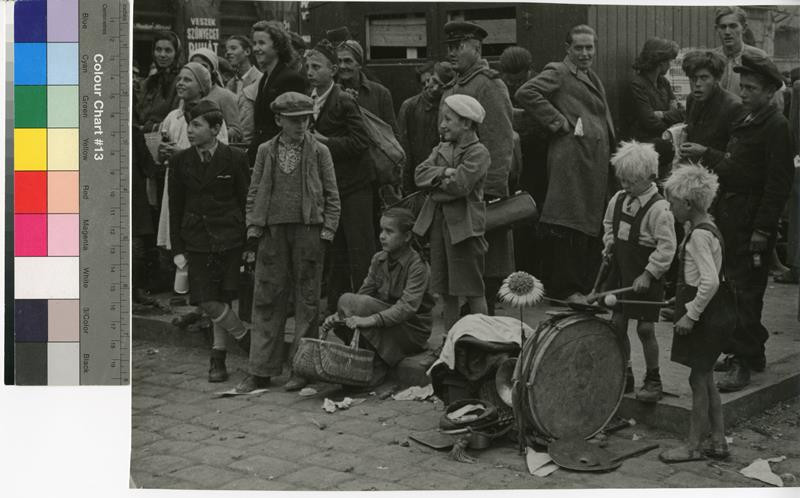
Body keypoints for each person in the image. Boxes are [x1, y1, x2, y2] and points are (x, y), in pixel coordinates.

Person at [700, 53, 794, 392]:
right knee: (736, 287)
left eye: (752, 88)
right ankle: (751, 352)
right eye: (742, 87)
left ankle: (742, 362)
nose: (744, 93)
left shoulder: (776, 126)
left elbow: (777, 185)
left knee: (745, 291)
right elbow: (734, 165)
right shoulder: (749, 119)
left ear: (770, 91)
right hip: (733, 215)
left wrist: (763, 230)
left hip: (752, 221)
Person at [238, 92, 341, 393]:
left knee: (307, 299)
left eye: (306, 119)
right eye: (294, 120)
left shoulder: (320, 151)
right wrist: (253, 226)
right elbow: (255, 190)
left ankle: (302, 368)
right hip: (272, 232)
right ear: (278, 120)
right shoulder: (265, 151)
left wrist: (328, 230)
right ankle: (261, 369)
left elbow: (333, 195)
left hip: (309, 232)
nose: (301, 125)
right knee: (267, 296)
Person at [515, 24, 615, 302]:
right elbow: (526, 93)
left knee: (586, 224)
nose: (585, 53)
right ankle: (566, 290)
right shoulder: (559, 71)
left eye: (589, 47)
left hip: (591, 162)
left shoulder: (590, 75)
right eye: (579, 48)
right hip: (572, 161)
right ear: (568, 49)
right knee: (568, 223)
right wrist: (558, 122)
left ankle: (583, 288)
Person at [167, 100, 251, 383]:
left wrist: (250, 241)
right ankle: (245, 337)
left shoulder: (235, 158)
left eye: (197, 125)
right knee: (205, 300)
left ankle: (218, 358)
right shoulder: (179, 162)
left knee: (222, 297)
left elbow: (245, 200)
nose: (189, 130)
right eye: (189, 124)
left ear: (216, 129)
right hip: (197, 240)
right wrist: (177, 247)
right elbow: (175, 207)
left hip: (229, 237)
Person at [441, 21, 515, 314]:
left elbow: (500, 142)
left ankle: (484, 326)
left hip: (481, 192)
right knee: (463, 262)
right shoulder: (456, 84)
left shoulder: (488, 84)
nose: (452, 53)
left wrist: (492, 193)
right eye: (449, 47)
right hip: (457, 189)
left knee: (485, 264)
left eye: (458, 47)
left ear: (476, 48)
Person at [659, 164, 728, 463]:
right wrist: (679, 298)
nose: (670, 208)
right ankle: (720, 441)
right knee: (707, 378)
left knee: (697, 381)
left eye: (673, 202)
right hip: (713, 314)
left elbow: (710, 280)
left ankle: (693, 447)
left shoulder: (699, 235)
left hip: (705, 319)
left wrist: (690, 314)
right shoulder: (708, 228)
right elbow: (700, 278)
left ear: (687, 203)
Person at [321, 208, 434, 388]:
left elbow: (406, 308)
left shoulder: (417, 265)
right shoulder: (378, 259)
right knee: (346, 300)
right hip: (387, 322)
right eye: (381, 230)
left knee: (363, 306)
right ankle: (365, 359)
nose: (382, 236)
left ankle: (378, 364)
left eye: (389, 232)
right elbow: (362, 293)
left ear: (406, 237)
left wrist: (369, 320)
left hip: (411, 329)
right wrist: (339, 315)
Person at [599, 141, 677, 402]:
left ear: (648, 176)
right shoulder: (619, 198)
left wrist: (649, 274)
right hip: (622, 268)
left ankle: (653, 378)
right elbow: (609, 224)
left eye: (630, 182)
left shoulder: (659, 209)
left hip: (645, 274)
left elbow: (667, 248)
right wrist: (609, 243)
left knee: (645, 329)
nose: (625, 187)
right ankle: (626, 372)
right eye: (622, 181)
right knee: (617, 325)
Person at [307, 40, 374, 316]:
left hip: (354, 185)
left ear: (332, 70)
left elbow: (361, 141)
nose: (309, 71)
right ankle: (334, 308)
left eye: (316, 67)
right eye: (307, 66)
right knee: (334, 250)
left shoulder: (344, 100)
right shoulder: (308, 98)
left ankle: (365, 306)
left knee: (360, 251)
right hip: (329, 188)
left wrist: (326, 142)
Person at [413, 94, 490, 331]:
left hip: (465, 229)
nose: (442, 125)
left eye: (448, 119)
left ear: (467, 123)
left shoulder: (479, 153)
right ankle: (451, 343)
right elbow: (419, 175)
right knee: (446, 290)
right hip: (440, 227)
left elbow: (461, 185)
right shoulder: (442, 148)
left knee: (471, 288)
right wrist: (446, 171)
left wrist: (435, 188)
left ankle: (483, 341)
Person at [156, 62, 230, 251]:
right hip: (174, 186)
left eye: (187, 80)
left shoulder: (213, 117)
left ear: (201, 87)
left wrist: (180, 155)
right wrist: (161, 151)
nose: (180, 83)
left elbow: (221, 156)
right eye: (179, 79)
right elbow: (159, 156)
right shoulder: (173, 117)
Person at [247, 21, 307, 165]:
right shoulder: (265, 79)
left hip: (279, 159)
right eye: (254, 43)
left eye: (262, 43)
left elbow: (291, 127)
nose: (256, 48)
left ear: (278, 46)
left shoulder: (290, 79)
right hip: (263, 153)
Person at [627, 38, 683, 178]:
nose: (670, 65)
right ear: (661, 62)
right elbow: (649, 121)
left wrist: (662, 115)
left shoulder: (663, 82)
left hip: (662, 142)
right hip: (645, 146)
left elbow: (682, 113)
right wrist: (671, 122)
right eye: (670, 61)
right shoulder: (637, 84)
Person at [397, 61, 454, 194]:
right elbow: (403, 149)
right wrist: (406, 187)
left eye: (440, 86)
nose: (433, 88)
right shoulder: (410, 106)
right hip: (418, 181)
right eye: (430, 81)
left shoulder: (450, 107)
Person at [712, 6, 783, 111]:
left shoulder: (759, 56)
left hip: (748, 123)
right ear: (717, 29)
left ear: (744, 28)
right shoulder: (712, 58)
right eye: (723, 27)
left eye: (733, 26)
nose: (727, 32)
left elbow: (776, 100)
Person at [336, 39, 397, 133]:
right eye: (339, 61)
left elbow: (392, 132)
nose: (342, 66)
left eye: (348, 61)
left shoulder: (380, 93)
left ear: (359, 64)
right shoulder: (332, 92)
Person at [189, 48, 243, 143]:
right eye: (195, 66)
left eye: (204, 66)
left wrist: (210, 134)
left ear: (212, 70)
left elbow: (236, 130)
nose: (199, 70)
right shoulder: (187, 95)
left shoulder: (224, 95)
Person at [136, 31, 182, 131]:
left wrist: (147, 128)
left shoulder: (180, 82)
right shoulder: (149, 82)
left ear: (176, 54)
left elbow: (175, 120)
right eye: (158, 50)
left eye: (168, 50)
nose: (162, 54)